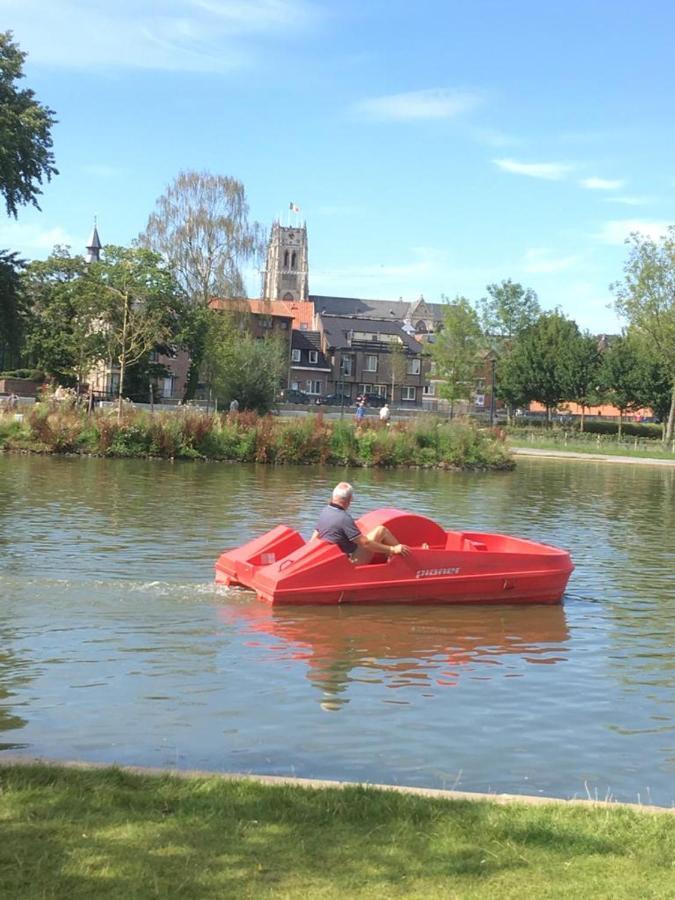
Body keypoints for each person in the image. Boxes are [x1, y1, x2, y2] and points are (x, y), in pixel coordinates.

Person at [311, 482, 411, 565]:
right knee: (381, 531)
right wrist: (392, 549)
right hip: (351, 562)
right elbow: (366, 543)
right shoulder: (344, 518)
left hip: (333, 558)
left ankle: (400, 552)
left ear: (333, 497)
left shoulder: (325, 511)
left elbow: (314, 538)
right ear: (350, 499)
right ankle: (408, 557)